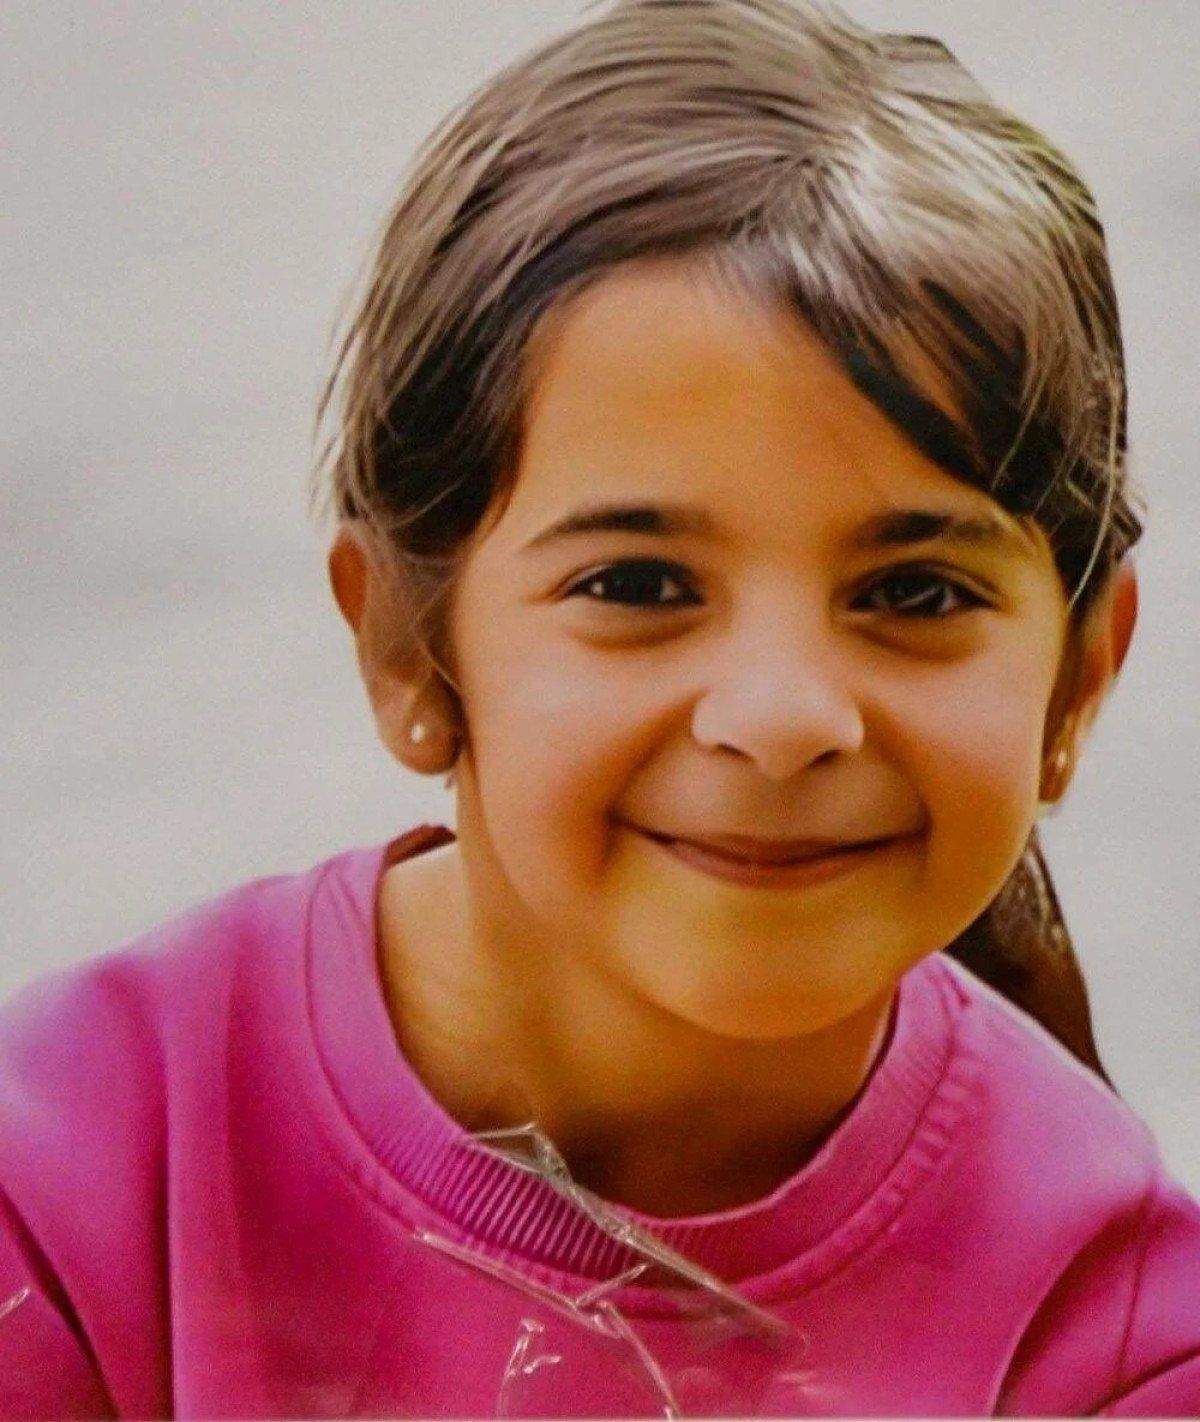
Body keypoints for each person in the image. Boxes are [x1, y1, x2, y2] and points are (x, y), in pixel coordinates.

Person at [1, 0, 1196, 1415]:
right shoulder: (80, 1183)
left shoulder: (1116, 1334)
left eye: (916, 593)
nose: (782, 717)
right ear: (407, 646)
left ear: (1079, 676)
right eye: (638, 583)